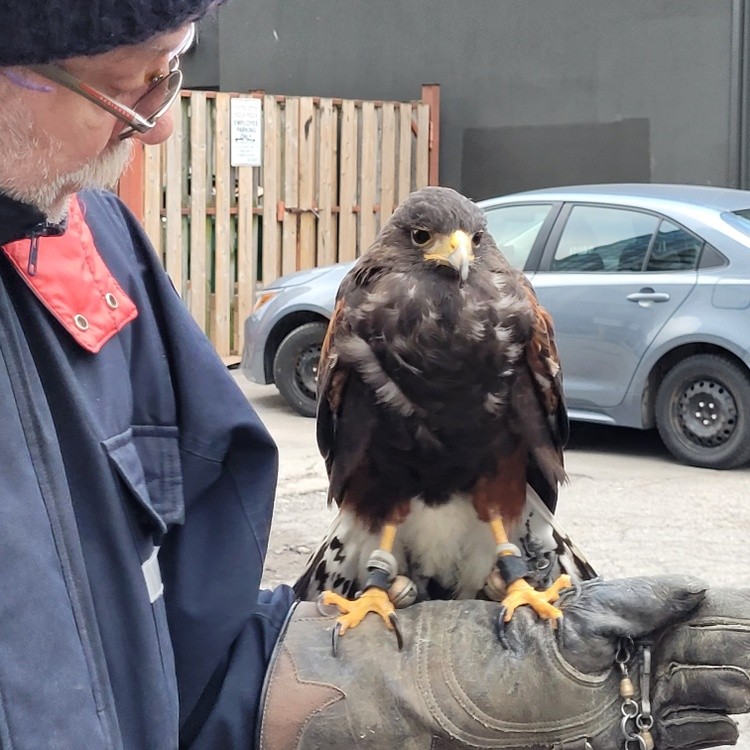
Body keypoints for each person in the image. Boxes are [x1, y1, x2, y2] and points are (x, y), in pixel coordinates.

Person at [0, 1, 748, 748]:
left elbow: (188, 658)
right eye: (124, 81)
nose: (158, 124)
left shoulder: (95, 251)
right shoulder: (349, 304)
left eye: (172, 70)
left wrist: (411, 688)